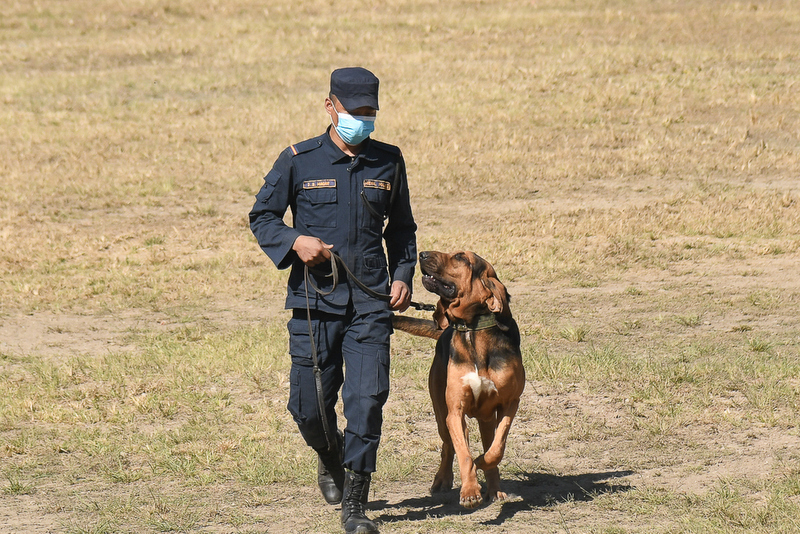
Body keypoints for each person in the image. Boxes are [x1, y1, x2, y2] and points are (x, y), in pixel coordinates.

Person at [249, 67, 417, 534]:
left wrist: (403, 275)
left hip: (370, 305)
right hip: (313, 303)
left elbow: (402, 230)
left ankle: (356, 506)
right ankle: (329, 456)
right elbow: (262, 215)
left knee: (366, 401)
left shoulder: (389, 161)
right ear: (330, 107)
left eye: (371, 114)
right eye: (355, 113)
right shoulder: (298, 160)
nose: (363, 121)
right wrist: (294, 240)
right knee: (307, 407)